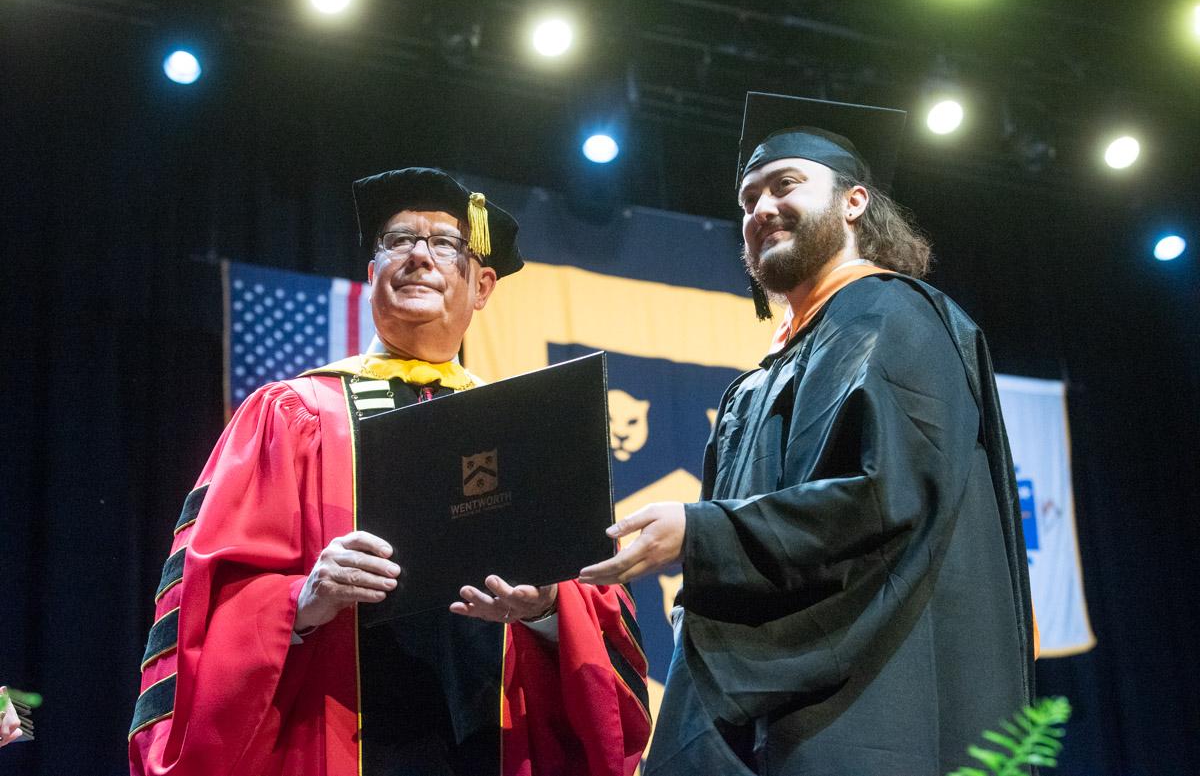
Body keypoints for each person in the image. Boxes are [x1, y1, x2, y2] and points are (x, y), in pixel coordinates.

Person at [130, 168, 651, 776]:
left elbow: (601, 617)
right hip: (338, 739)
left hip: (495, 743)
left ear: (482, 285)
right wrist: (302, 599)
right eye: (398, 242)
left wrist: (544, 607)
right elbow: (205, 600)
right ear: (373, 274)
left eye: (444, 245)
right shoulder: (294, 415)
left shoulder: (529, 435)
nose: (419, 257)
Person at [581, 93, 1036, 775]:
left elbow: (883, 502)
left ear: (854, 201)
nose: (760, 208)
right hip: (773, 725)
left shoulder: (890, 315)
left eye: (785, 184)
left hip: (867, 712)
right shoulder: (759, 381)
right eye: (747, 198)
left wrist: (705, 534)